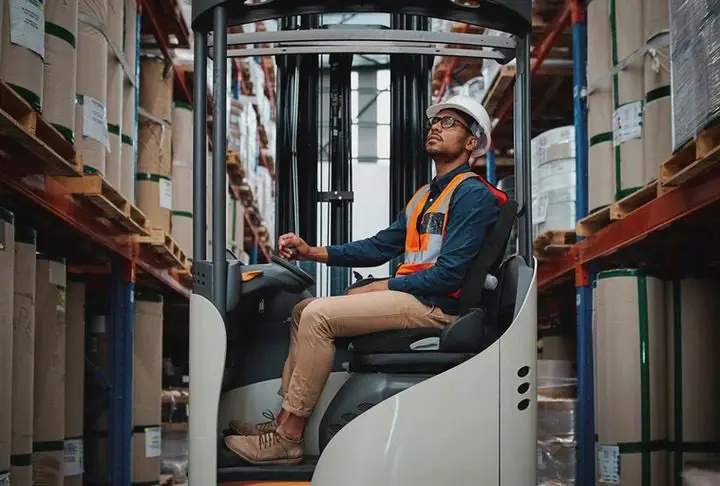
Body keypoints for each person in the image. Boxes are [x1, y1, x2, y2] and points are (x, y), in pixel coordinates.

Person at [224, 95, 508, 465]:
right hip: (417, 297)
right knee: (303, 309)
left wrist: (383, 285)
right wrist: (312, 252)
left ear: (472, 142)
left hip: (439, 308)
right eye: (434, 122)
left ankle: (288, 438)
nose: (436, 126)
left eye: (449, 123)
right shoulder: (426, 195)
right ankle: (282, 421)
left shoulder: (472, 194)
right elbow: (379, 247)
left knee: (319, 316)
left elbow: (449, 275)